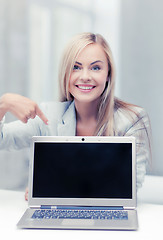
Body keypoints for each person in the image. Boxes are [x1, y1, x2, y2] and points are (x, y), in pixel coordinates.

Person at [0, 32, 151, 200]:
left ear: (108, 74)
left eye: (95, 68)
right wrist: (3, 105)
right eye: (76, 67)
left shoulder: (132, 120)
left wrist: (50, 187)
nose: (85, 77)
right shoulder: (48, 116)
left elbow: (129, 187)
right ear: (65, 73)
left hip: (107, 218)